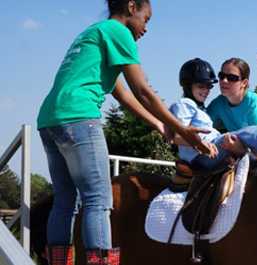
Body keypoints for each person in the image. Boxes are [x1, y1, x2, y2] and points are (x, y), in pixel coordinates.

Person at [36, 1, 214, 265]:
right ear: (132, 6)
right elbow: (142, 90)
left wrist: (161, 126)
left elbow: (123, 95)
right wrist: (182, 129)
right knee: (98, 199)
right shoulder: (118, 32)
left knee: (65, 200)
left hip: (50, 119)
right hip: (79, 117)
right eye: (146, 19)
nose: (145, 28)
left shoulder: (95, 32)